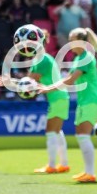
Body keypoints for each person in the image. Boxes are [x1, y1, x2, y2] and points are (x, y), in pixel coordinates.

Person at [39, 28, 97, 183]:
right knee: (81, 135)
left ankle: (90, 173)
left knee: (83, 135)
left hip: (91, 100)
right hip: (85, 101)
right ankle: (88, 172)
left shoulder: (86, 57)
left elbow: (70, 80)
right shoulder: (79, 58)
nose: (69, 43)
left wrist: (48, 88)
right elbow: (68, 79)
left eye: (72, 40)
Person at [24, 31, 70, 174]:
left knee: (50, 131)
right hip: (61, 97)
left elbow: (29, 81)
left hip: (56, 98)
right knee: (57, 131)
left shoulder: (41, 60)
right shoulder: (44, 58)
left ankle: (51, 165)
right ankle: (64, 164)